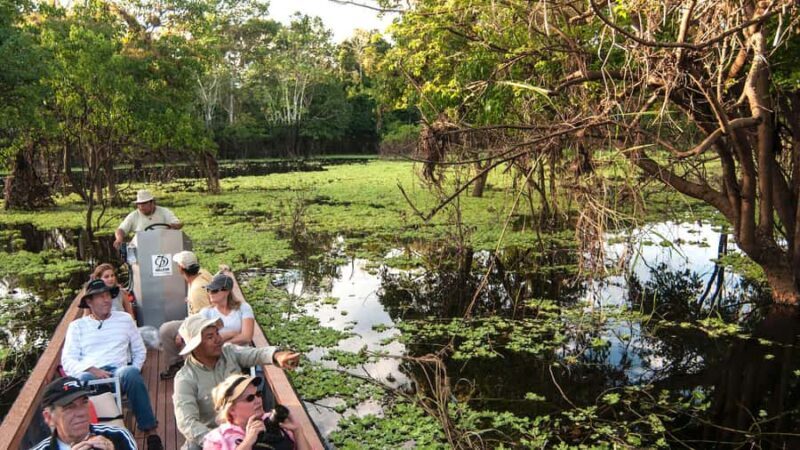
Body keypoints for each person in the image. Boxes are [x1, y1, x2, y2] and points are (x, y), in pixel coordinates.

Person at [62, 279, 163, 449]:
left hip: (118, 372)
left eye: (108, 295)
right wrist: (92, 369)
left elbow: (140, 351)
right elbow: (67, 360)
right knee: (83, 379)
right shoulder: (77, 326)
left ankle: (151, 432)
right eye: (101, 296)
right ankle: (95, 435)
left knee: (131, 373)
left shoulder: (124, 319)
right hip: (91, 373)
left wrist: (134, 369)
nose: (107, 300)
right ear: (89, 302)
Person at [173, 315, 300, 450]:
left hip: (244, 426)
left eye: (217, 333)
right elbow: (187, 422)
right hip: (209, 437)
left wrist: (277, 355)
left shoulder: (230, 352)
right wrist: (219, 441)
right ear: (196, 346)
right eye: (210, 337)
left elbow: (256, 354)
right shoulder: (185, 379)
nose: (218, 339)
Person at [203, 375, 310, 450]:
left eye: (258, 394)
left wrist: (298, 431)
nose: (258, 400)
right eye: (250, 398)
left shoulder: (274, 420)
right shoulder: (216, 439)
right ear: (231, 409)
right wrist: (249, 440)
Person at [30, 376, 137, 450]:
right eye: (69, 407)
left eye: (84, 403)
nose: (81, 412)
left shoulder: (117, 436)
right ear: (49, 417)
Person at [158, 251, 214, 380]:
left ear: (181, 268)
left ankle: (192, 368)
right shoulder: (202, 274)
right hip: (194, 319)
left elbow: (202, 321)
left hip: (202, 327)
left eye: (178, 264)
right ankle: (176, 364)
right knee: (166, 329)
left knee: (172, 332)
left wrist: (182, 333)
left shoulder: (196, 290)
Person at [113, 189, 182, 249]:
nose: (141, 207)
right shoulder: (134, 215)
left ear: (152, 203)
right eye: (139, 204)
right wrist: (119, 239)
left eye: (144, 203)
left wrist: (174, 226)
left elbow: (177, 223)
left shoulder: (164, 211)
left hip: (164, 246)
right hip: (141, 248)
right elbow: (121, 229)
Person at [198, 273, 255, 346]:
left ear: (227, 291)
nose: (210, 293)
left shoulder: (244, 307)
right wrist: (232, 334)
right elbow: (202, 339)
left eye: (214, 290)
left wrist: (222, 344)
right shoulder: (205, 312)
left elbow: (246, 337)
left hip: (241, 351)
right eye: (208, 290)